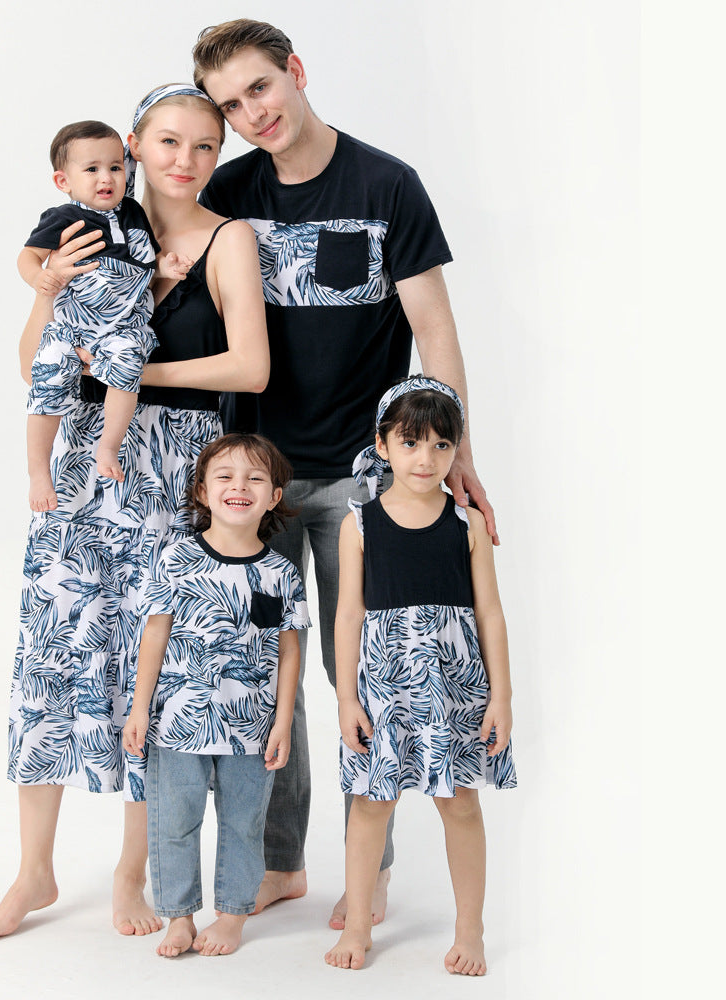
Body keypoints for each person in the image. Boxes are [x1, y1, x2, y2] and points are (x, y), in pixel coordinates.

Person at [191, 18, 498, 925]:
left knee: (359, 668)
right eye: (229, 105)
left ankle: (372, 871)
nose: (252, 114)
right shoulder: (229, 191)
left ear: (295, 70)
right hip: (256, 487)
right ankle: (280, 863)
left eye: (259, 88)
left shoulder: (386, 184)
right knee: (263, 669)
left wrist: (459, 453)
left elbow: (434, 328)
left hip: (366, 485)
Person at [0, 84, 269, 941]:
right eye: (168, 142)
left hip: (175, 467)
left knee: (153, 665)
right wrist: (49, 291)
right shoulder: (94, 224)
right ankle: (33, 871)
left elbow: (248, 368)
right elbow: (33, 360)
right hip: (81, 466)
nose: (186, 160)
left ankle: (134, 872)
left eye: (205, 146)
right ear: (135, 146)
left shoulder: (226, 239)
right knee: (53, 651)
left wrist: (124, 373)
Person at [325, 376, 515, 973]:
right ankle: (359, 926)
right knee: (370, 805)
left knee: (458, 804)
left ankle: (469, 931)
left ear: (455, 450)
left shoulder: (468, 525)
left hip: (455, 688)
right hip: (385, 687)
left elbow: (490, 612)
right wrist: (347, 698)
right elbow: (348, 614)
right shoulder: (359, 524)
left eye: (441, 444)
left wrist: (502, 698)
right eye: (410, 443)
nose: (426, 458)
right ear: (383, 446)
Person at [123, 433, 309, 958]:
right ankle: (179, 917)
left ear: (273, 496)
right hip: (178, 723)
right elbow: (154, 635)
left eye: (255, 478)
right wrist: (139, 708)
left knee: (244, 823)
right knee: (173, 822)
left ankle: (231, 916)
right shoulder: (177, 558)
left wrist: (282, 722)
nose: (239, 486)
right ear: (203, 491)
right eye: (225, 476)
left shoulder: (281, 573)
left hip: (251, 728)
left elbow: (289, 654)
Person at [20, 120, 192, 489]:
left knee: (129, 362)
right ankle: (38, 471)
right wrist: (39, 277)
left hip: (122, 326)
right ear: (63, 181)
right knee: (47, 379)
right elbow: (27, 256)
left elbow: (145, 262)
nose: (106, 178)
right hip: (73, 327)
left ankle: (108, 447)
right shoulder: (63, 218)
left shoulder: (133, 213)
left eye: (115, 167)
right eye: (92, 169)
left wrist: (166, 267)